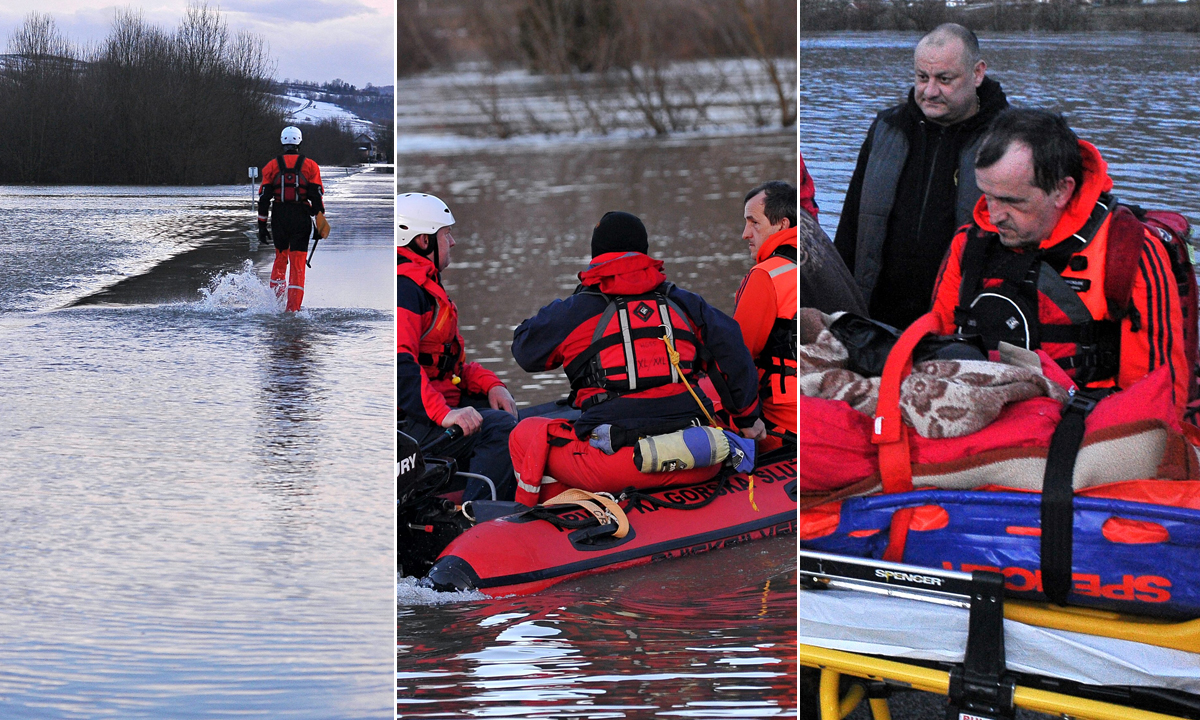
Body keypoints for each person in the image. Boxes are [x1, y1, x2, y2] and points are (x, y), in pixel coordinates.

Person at [929, 108, 1189, 417]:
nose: (994, 215)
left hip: (1087, 434)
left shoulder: (1128, 251)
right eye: (987, 195)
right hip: (980, 421)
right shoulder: (968, 245)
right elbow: (934, 352)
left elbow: (1157, 398)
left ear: (1062, 191)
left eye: (1013, 201)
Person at [508, 211, 764, 507]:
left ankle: (551, 521)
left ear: (596, 257)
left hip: (617, 468)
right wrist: (747, 417)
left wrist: (567, 303)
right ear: (644, 251)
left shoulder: (576, 311)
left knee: (524, 434)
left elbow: (526, 352)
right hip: (698, 459)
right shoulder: (685, 303)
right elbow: (732, 348)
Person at [834, 23, 1009, 330]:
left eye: (944, 79)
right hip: (875, 318)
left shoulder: (1009, 138)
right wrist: (838, 311)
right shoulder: (887, 129)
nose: (929, 91)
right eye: (921, 77)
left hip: (964, 324)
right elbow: (850, 226)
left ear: (977, 73)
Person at [396, 192, 519, 501]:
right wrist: (445, 415)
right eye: (446, 234)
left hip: (429, 406)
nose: (452, 242)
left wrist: (491, 385)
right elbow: (398, 367)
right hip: (409, 424)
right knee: (501, 429)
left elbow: (447, 365)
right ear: (423, 241)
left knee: (509, 415)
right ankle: (479, 518)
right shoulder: (405, 291)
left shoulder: (422, 284)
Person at [734, 181, 801, 452]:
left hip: (780, 425)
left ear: (782, 225)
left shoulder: (766, 275)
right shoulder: (816, 261)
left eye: (754, 223)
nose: (745, 234)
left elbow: (738, 356)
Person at [258, 126, 324, 312]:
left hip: (279, 217)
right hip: (301, 217)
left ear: (282, 141)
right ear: (299, 142)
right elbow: (316, 199)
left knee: (280, 259)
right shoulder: (311, 166)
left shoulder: (271, 166)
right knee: (297, 263)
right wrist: (320, 226)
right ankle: (292, 310)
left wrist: (261, 226)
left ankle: (275, 304)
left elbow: (263, 200)